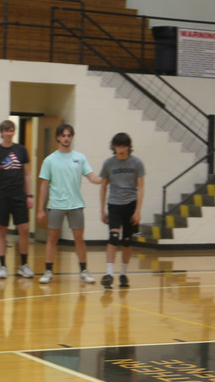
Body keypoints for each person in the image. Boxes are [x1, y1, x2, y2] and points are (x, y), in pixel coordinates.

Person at [37, 123, 102, 284]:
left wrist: (105, 178)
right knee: (53, 237)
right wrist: (40, 209)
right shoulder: (50, 160)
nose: (66, 138)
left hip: (76, 205)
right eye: (63, 136)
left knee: (79, 238)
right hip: (56, 205)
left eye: (69, 135)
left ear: (71, 137)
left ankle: (84, 271)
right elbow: (44, 185)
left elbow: (92, 177)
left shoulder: (80, 158)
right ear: (58, 137)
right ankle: (48, 271)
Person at [0, 120, 35, 279]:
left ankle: (24, 265)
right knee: (2, 231)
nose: (9, 134)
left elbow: (27, 174)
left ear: (14, 132)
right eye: (6, 131)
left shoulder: (21, 150)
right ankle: (3, 266)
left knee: (24, 229)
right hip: (2, 196)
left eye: (11, 131)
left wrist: (30, 195)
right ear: (1, 133)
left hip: (19, 195)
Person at [99, 133, 145, 288]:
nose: (121, 149)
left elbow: (141, 187)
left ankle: (123, 274)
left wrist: (138, 210)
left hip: (131, 204)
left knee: (126, 241)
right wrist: (101, 209)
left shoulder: (136, 163)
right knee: (113, 237)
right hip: (114, 204)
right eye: (119, 146)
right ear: (114, 147)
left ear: (129, 147)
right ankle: (109, 274)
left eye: (124, 146)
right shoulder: (108, 164)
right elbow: (103, 187)